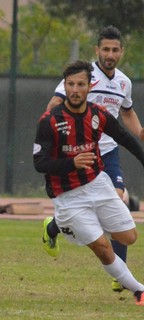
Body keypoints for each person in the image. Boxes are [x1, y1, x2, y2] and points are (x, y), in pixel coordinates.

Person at [33, 60, 144, 306]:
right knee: (103, 248)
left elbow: (125, 138)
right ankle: (139, 290)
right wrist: (71, 164)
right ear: (65, 86)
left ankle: (57, 225)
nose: (75, 89)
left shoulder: (98, 115)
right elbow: (39, 163)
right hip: (68, 196)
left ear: (89, 86)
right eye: (70, 84)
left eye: (80, 84)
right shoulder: (49, 121)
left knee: (128, 237)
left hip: (98, 184)